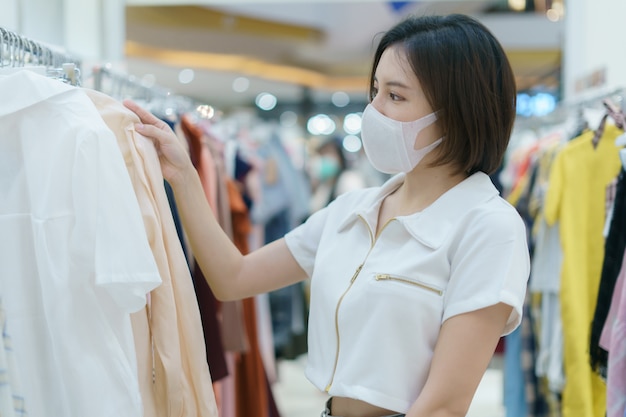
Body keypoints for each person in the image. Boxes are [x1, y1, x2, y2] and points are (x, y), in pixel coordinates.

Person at [124, 13, 530, 417]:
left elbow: (444, 405)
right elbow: (234, 278)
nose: (374, 110)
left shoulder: (488, 227)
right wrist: (184, 177)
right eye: (375, 91)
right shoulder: (350, 211)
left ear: (457, 112)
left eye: (396, 95)